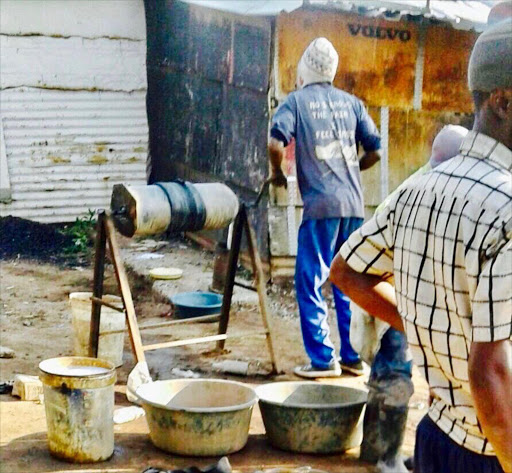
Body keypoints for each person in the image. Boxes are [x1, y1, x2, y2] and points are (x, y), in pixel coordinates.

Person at [330, 18, 512, 473]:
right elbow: (488, 373)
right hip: (493, 449)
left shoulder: (417, 190)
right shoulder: (507, 208)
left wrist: (421, 324)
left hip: (437, 437)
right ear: (504, 101)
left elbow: (347, 272)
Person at [353, 125, 468, 473]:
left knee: (440, 380)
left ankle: (413, 456)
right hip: (399, 297)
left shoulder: (436, 184)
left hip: (424, 300)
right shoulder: (418, 193)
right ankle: (383, 456)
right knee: (395, 371)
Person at [268, 37, 381, 378]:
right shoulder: (352, 103)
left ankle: (322, 360)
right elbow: (375, 151)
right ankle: (351, 356)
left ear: (303, 71)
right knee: (346, 281)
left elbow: (275, 142)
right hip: (353, 205)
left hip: (321, 206)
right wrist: (352, 171)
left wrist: (278, 174)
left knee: (310, 281)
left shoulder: (296, 102)